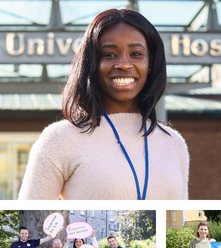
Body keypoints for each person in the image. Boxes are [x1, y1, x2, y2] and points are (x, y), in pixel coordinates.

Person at [18, 8, 189, 200]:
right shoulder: (59, 140)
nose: (124, 64)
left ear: (151, 63)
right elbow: (31, 220)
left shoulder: (174, 143)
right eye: (109, 55)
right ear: (91, 64)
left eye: (136, 54)